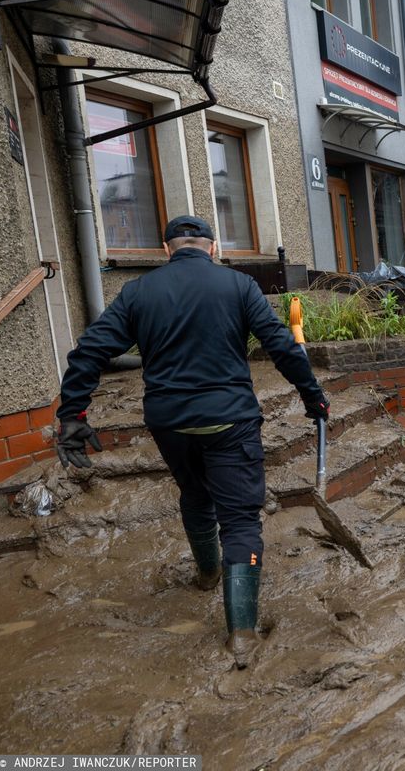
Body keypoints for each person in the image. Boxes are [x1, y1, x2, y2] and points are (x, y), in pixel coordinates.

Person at [54, 216, 329, 669]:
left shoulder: (138, 293)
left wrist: (73, 415)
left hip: (170, 423)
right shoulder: (239, 286)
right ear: (213, 246)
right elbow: (281, 345)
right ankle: (241, 633)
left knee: (195, 494)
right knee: (240, 519)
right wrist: (312, 397)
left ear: (167, 250)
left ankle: (207, 573)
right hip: (230, 420)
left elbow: (88, 351)